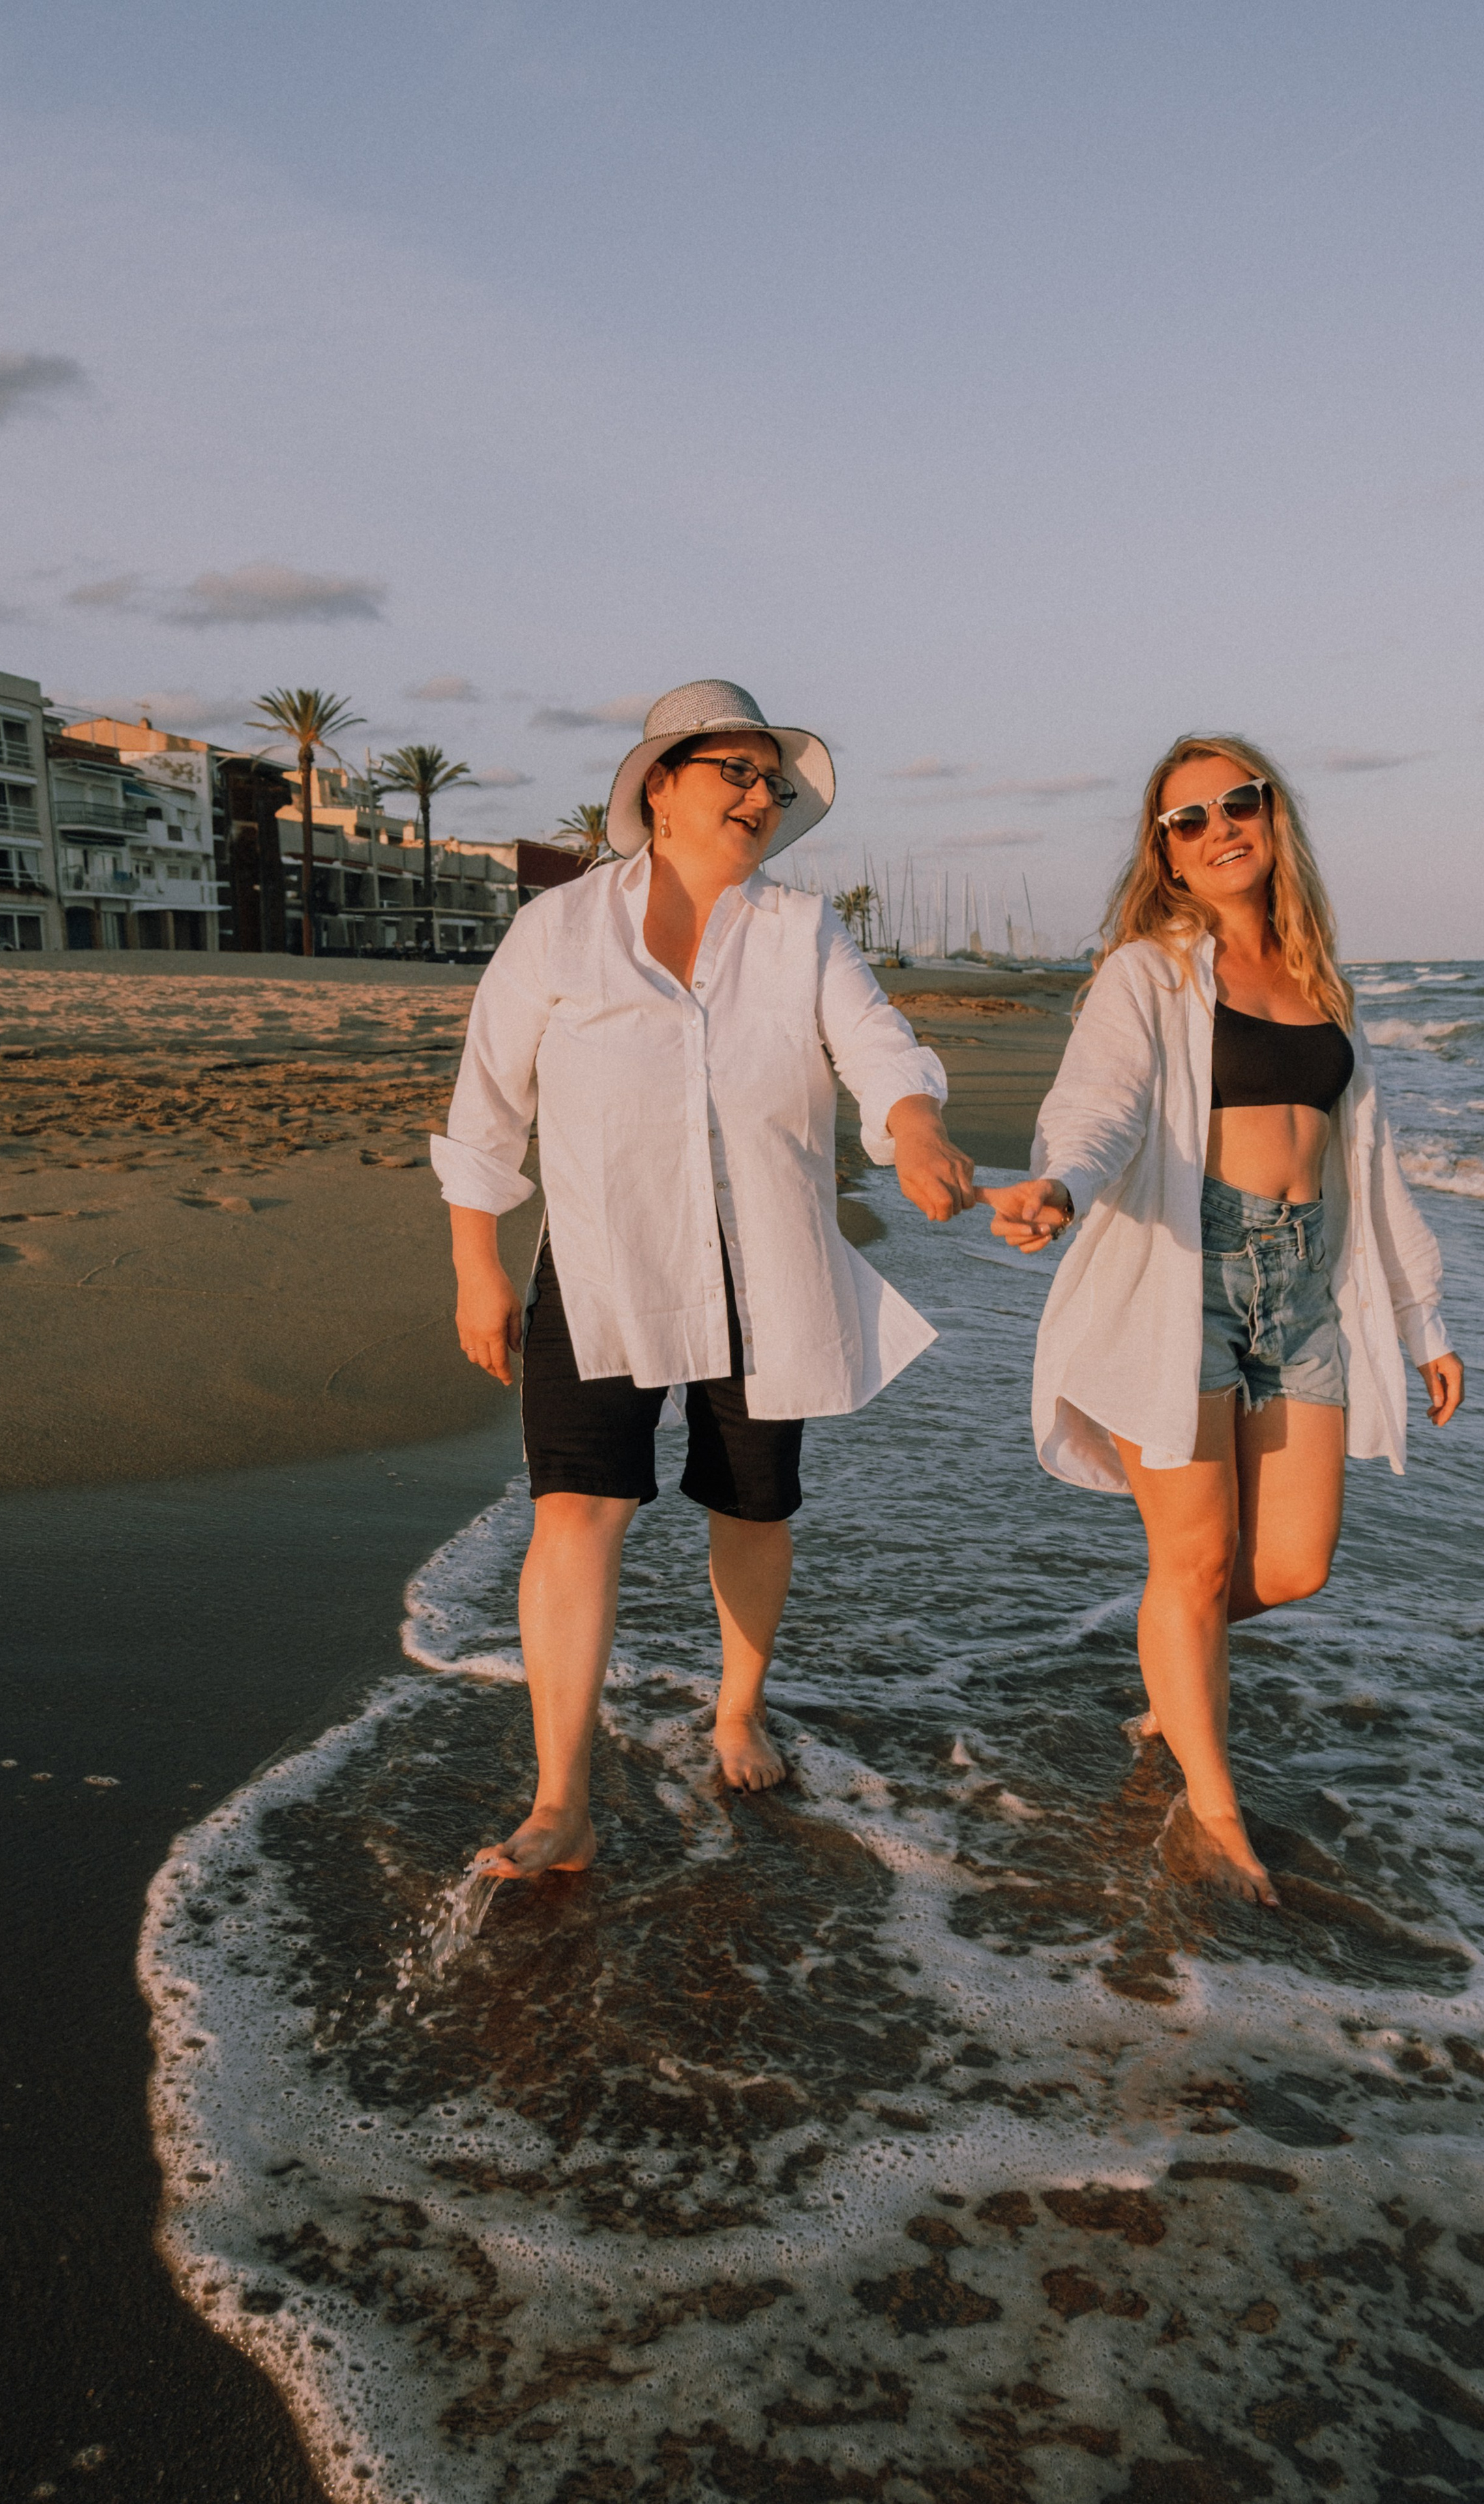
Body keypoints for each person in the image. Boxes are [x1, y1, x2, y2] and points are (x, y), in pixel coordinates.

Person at [432, 681, 975, 1881]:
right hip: (602, 1258)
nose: (760, 795)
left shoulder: (802, 931)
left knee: (753, 1500)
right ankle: (561, 1800)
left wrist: (915, 1129)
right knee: (579, 1504)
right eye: (735, 770)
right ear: (660, 789)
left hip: (765, 1261)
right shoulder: (559, 931)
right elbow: (486, 1108)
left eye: (773, 782)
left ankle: (737, 1706)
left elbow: (877, 1041)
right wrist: (479, 1267)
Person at [981, 735, 1463, 1908]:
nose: (1215, 829)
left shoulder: (1318, 976)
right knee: (1192, 1561)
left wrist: (1422, 1316)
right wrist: (1061, 1185)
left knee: (1292, 1567)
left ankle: (1172, 1659)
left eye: (1234, 804)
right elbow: (1099, 1104)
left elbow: (1373, 1160)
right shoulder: (1148, 972)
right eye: (1185, 820)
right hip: (1181, 1277)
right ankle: (1214, 1808)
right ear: (1167, 854)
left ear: (1272, 815)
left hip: (1306, 1288)